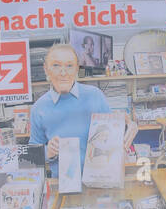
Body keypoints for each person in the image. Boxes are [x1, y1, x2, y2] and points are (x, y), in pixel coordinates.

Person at [28, 43, 112, 178]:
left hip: (100, 179)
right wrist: (48, 151)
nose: (63, 73)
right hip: (63, 185)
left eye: (69, 66)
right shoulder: (39, 108)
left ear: (77, 69)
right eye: (56, 65)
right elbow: (33, 153)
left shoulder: (95, 96)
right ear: (46, 69)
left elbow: (113, 136)